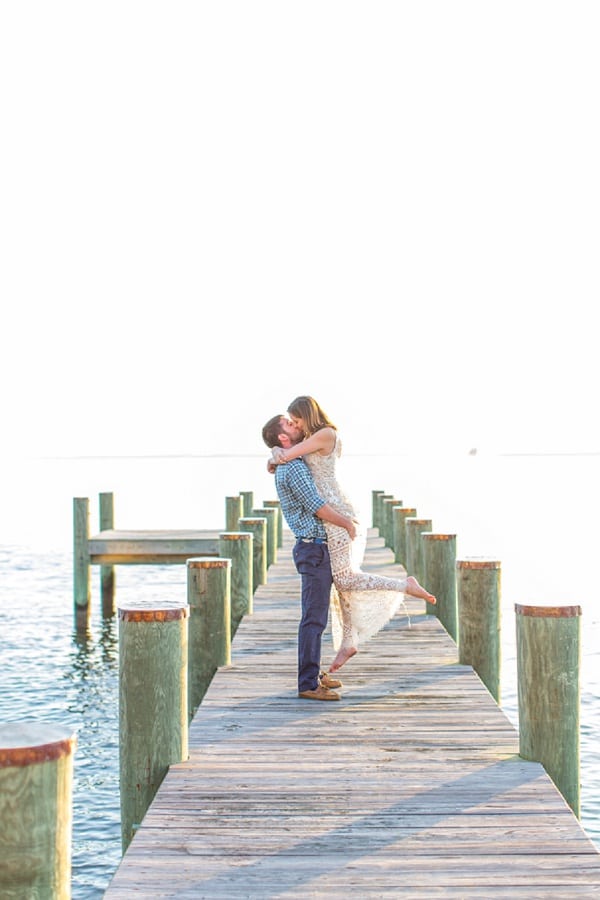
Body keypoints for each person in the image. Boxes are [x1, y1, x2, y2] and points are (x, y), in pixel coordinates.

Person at [269, 395, 436, 673]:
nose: (295, 424)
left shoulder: (325, 434)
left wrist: (274, 457)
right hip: (332, 513)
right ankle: (348, 641)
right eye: (291, 423)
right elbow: (285, 454)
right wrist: (275, 455)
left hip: (335, 512)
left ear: (307, 414)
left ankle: (405, 586)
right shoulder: (313, 437)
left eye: (296, 420)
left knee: (345, 578)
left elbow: (285, 455)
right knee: (341, 578)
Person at [262, 412, 358, 701]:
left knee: (317, 616)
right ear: (282, 436)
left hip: (315, 546)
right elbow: (317, 505)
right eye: (290, 424)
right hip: (314, 547)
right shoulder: (293, 468)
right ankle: (307, 684)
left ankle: (314, 674)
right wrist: (346, 523)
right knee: (313, 619)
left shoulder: (291, 459)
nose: (296, 425)